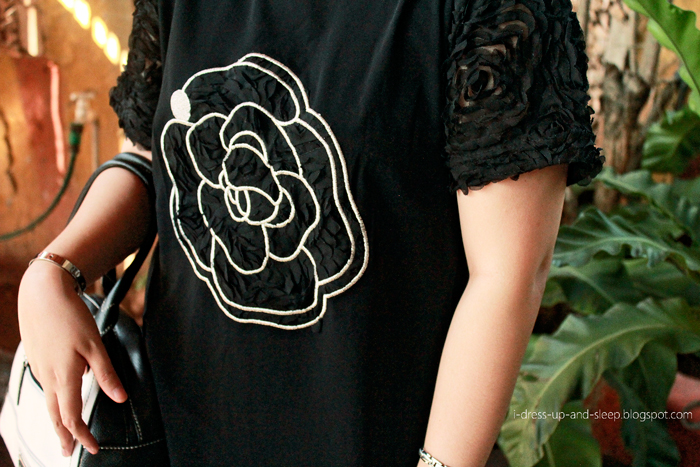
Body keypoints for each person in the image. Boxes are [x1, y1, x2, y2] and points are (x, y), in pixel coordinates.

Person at [17, 0, 605, 465]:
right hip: (182, 429)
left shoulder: (486, 10)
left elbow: (507, 275)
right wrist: (54, 270)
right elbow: (153, 160)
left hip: (380, 440)